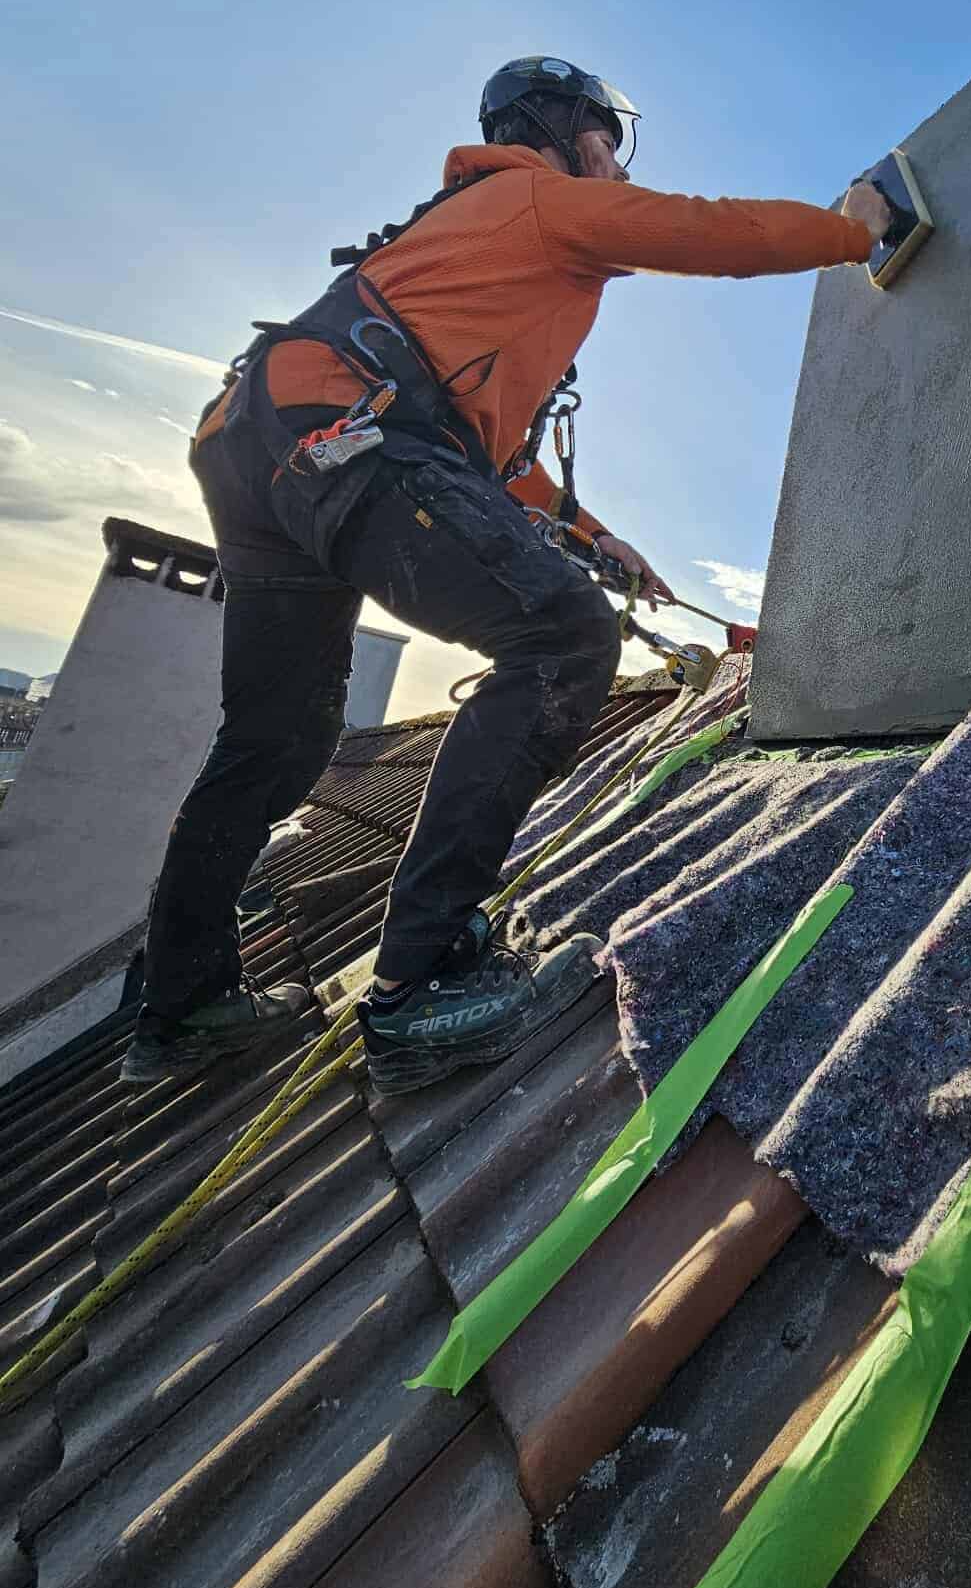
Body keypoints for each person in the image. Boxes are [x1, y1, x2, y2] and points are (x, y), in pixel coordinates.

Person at [122, 55, 892, 1095]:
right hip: (345, 425)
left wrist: (592, 533)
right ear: (564, 126)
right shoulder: (540, 199)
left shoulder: (464, 226)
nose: (612, 159)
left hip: (267, 434)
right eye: (604, 137)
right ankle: (417, 982)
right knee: (562, 639)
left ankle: (181, 1004)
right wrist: (858, 226)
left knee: (278, 735)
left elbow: (479, 450)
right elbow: (709, 231)